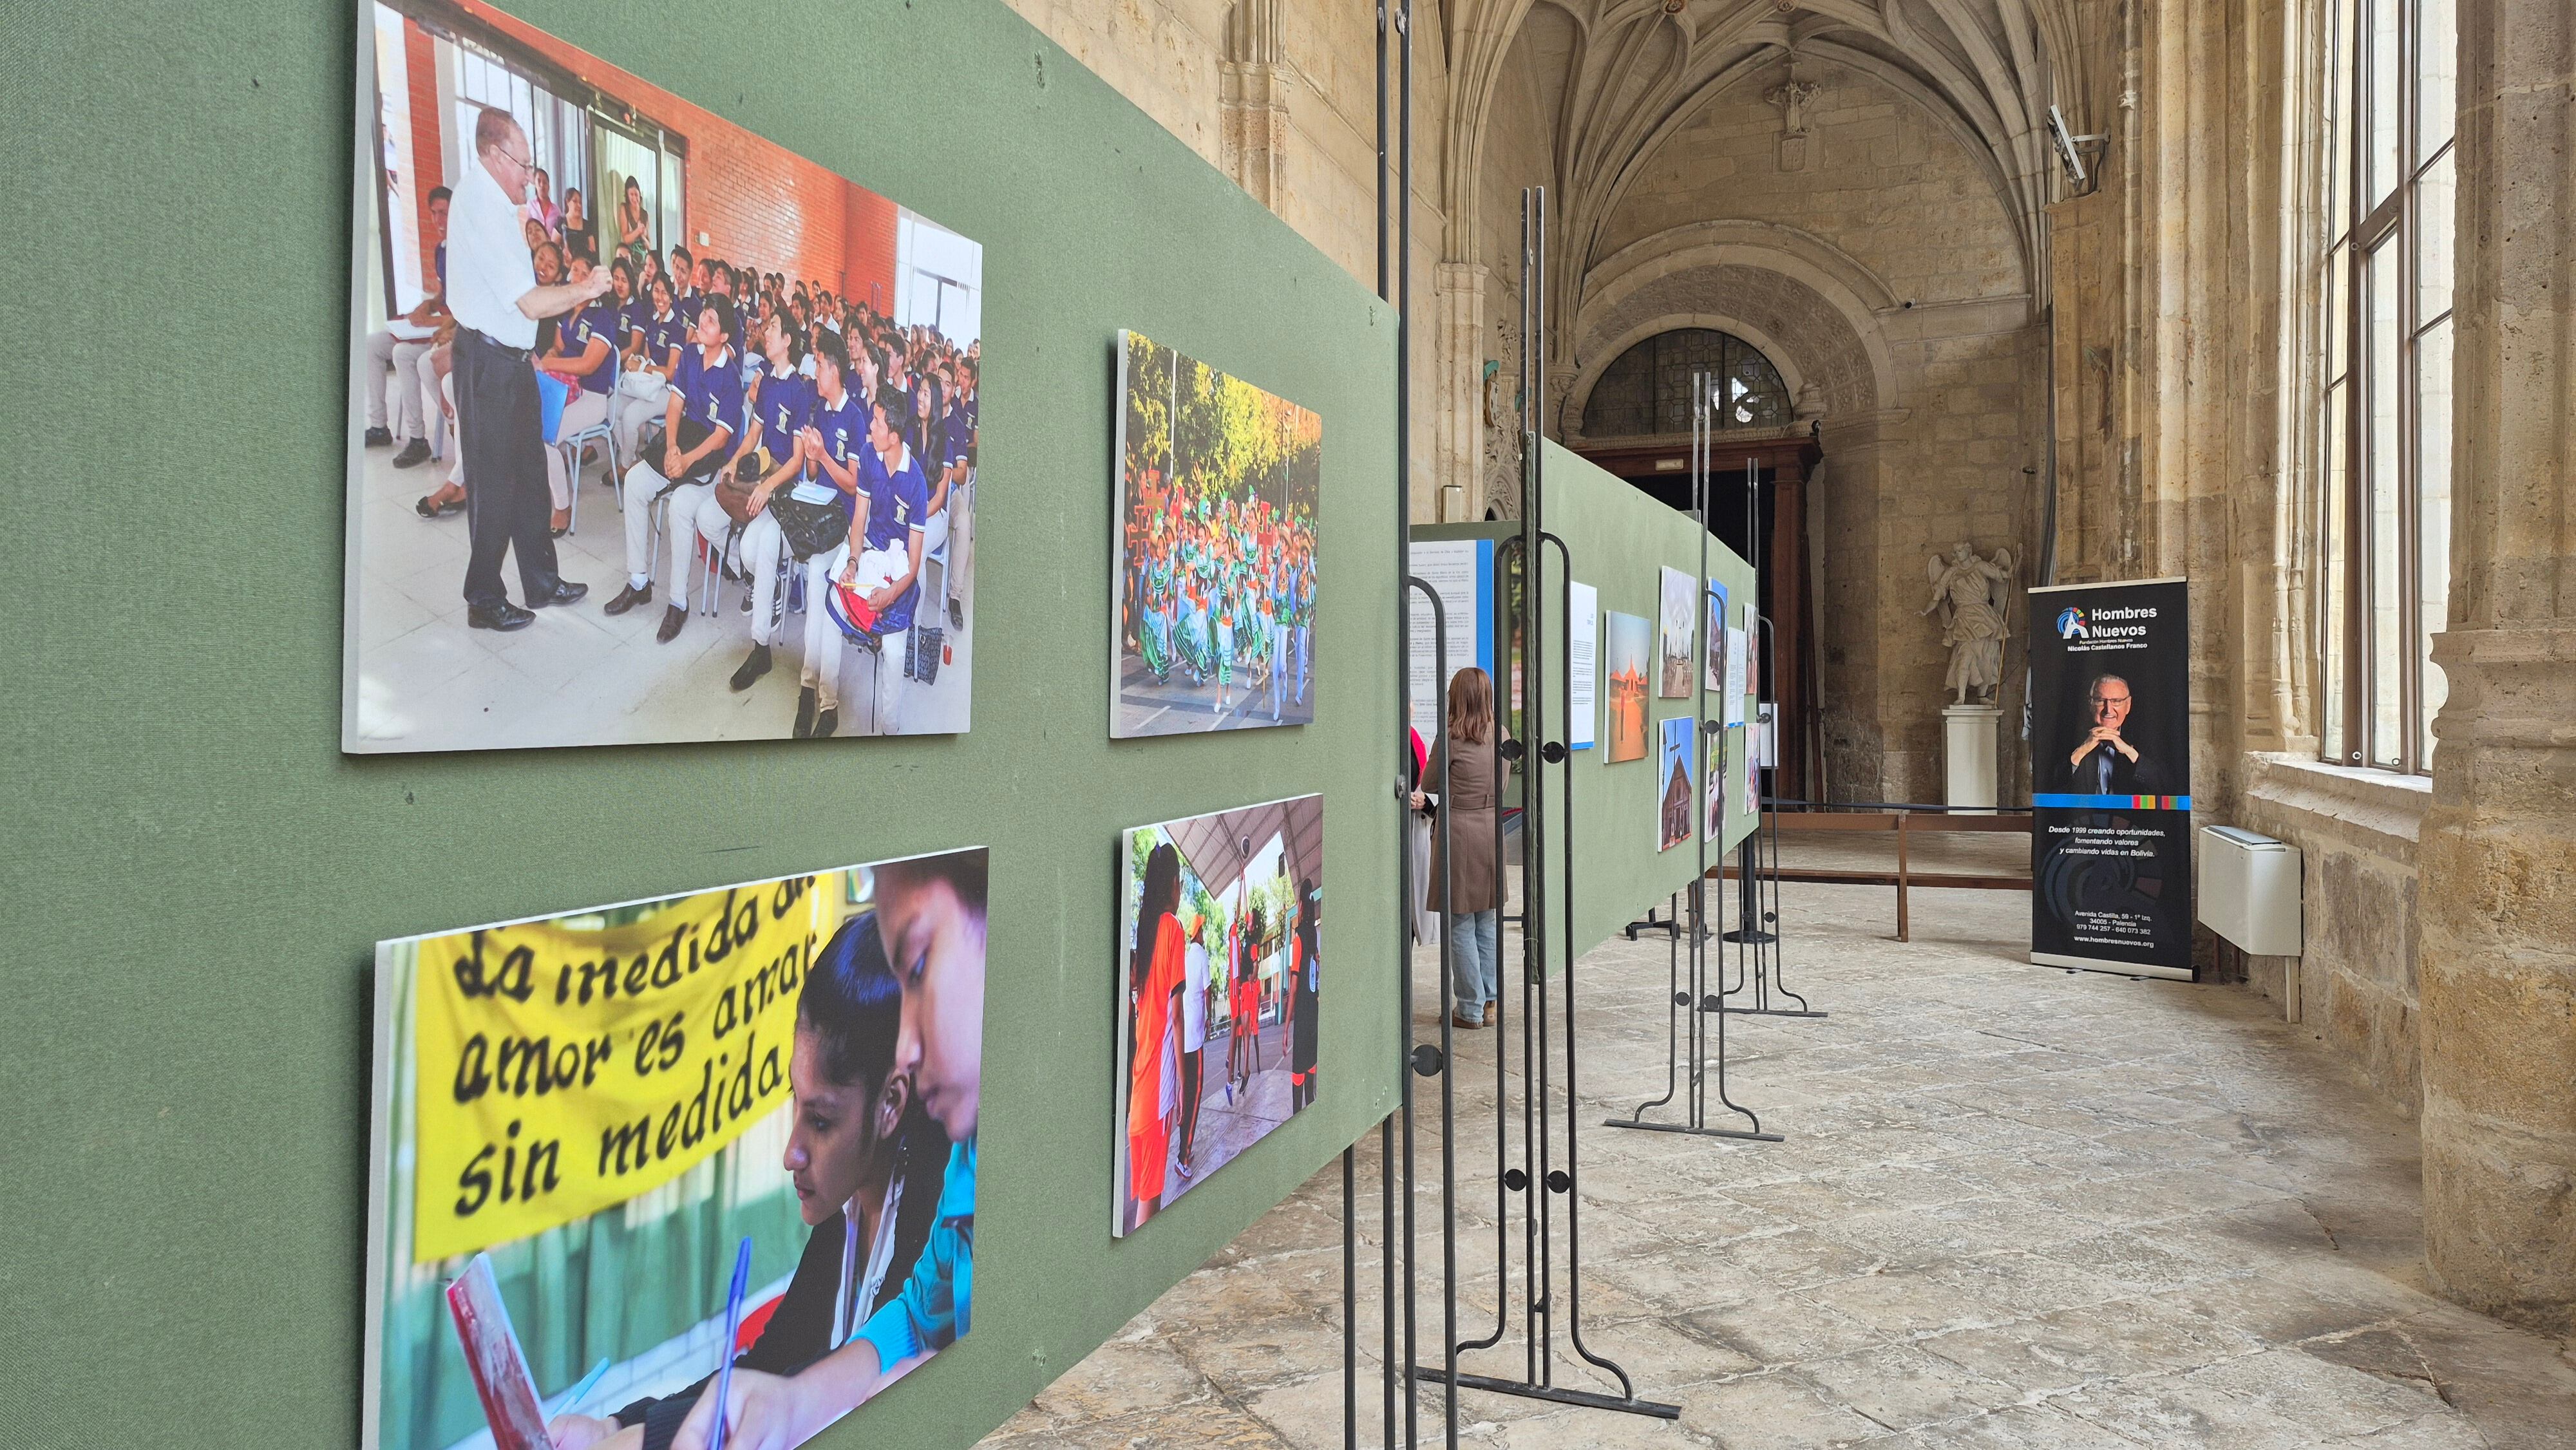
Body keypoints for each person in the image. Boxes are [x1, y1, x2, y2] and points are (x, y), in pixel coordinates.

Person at [545, 912, 947, 1450]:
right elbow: (770, 1363)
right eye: (794, 1102)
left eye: (822, 1121)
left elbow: (808, 1389)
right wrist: (616, 1425)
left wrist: (644, 1439)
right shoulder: (848, 1206)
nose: (791, 1153)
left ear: (890, 1104)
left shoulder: (932, 1216)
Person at [670, 851, 987, 1450]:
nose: (910, 1049)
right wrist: (792, 1405)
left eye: (918, 968)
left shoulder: (939, 1189)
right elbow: (919, 1315)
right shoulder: (960, 1175)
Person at [445, 107, 608, 631]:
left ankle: (541, 580)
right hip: (489, 362)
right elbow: (531, 304)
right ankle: (483, 598)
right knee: (493, 483)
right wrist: (585, 289)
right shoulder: (480, 205)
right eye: (523, 163)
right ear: (494, 156)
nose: (529, 174)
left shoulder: (500, 205)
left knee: (532, 476)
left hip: (513, 363)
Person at [603, 293, 741, 636]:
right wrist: (671, 446)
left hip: (709, 453)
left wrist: (686, 459)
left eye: (711, 321)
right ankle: (638, 582)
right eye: (703, 316)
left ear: (723, 336)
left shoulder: (731, 378)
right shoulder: (692, 356)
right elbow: (675, 407)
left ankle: (678, 602)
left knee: (679, 506)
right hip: (682, 442)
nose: (702, 324)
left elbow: (721, 438)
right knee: (635, 482)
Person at [808, 388, 930, 735]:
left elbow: (915, 563)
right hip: (869, 553)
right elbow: (858, 520)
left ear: (893, 436)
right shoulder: (867, 454)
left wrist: (890, 595)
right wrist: (852, 562)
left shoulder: (917, 483)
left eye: (876, 423)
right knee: (832, 604)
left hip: (899, 570)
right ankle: (827, 705)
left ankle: (890, 730)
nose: (870, 428)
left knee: (893, 651)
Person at [701, 312, 811, 692]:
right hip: (765, 477)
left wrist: (769, 488)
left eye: (774, 330)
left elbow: (798, 460)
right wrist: (733, 461)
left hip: (788, 488)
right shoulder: (766, 384)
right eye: (767, 328)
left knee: (760, 545)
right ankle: (769, 591)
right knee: (748, 548)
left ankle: (760, 646)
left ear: (789, 343)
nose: (767, 333)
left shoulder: (800, 390)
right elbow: (753, 435)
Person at [788, 330, 869, 739]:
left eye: (819, 364)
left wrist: (823, 456)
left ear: (834, 370)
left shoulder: (855, 418)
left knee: (828, 599)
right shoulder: (820, 410)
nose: (814, 370)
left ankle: (826, 700)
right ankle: (811, 690)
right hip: (824, 516)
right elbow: (817, 475)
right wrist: (812, 451)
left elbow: (854, 484)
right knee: (816, 596)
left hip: (849, 525)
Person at [1414, 668, 1505, 1028]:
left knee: (1459, 922)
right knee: (1486, 918)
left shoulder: (1450, 738)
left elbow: (1430, 781)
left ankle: (1469, 1007)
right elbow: (1502, 783)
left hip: (1458, 832)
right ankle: (1490, 1000)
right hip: (1489, 831)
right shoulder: (1500, 735)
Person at [363, 185, 450, 469]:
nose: (438, 221)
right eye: (434, 214)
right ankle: (379, 426)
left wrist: (433, 320)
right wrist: (427, 306)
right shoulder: (441, 249)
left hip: (449, 330)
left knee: (402, 353)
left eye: (444, 214)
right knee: (373, 344)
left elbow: (467, 313)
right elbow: (442, 295)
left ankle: (418, 439)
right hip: (433, 325)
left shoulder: (465, 252)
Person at [534, 252, 619, 536]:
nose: (573, 277)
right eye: (573, 271)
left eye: (582, 273)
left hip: (592, 399)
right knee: (527, 422)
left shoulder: (603, 317)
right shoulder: (568, 313)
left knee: (544, 440)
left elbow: (588, 365)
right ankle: (541, 487)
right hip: (563, 390)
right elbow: (557, 347)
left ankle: (562, 506)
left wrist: (548, 364)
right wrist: (548, 357)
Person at [1126, 843, 1184, 1224]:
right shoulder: (1172, 929)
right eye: (1179, 884)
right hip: (1159, 1087)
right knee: (1149, 1202)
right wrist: (1181, 1082)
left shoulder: (1144, 933)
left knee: (1153, 1193)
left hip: (1140, 1085)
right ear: (1174, 886)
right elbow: (1176, 1016)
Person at [2064, 673, 2166, 792]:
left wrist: (2130, 752)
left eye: (2116, 701)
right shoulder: (2072, 736)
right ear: (2090, 704)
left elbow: (2163, 787)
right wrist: (2082, 750)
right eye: (2101, 700)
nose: (2108, 710)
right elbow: (2051, 787)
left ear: (2128, 705)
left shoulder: (2147, 739)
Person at [1175, 911, 1210, 1174]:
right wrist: (1208, 1018)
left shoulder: (1188, 957)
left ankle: (1184, 1149)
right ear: (1198, 932)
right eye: (1202, 930)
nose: (1203, 933)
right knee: (1195, 1095)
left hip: (1185, 1036)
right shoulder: (1201, 956)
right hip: (1195, 1036)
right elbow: (1207, 991)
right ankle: (1183, 1158)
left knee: (1187, 1094)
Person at [1289, 877, 1320, 1109]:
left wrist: (1287, 1026)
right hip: (1314, 1013)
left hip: (1302, 1014)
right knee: (1311, 1063)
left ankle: (1296, 1115)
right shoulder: (1313, 938)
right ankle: (1311, 1107)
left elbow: (1295, 986)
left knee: (1298, 1068)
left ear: (1301, 906)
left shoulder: (1299, 940)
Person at [559, 185, 597, 267]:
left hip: (584, 267)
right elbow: (553, 249)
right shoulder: (561, 222)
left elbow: (593, 250)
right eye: (575, 201)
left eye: (580, 202)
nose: (579, 205)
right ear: (567, 202)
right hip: (567, 267)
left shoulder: (587, 225)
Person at [616, 175, 652, 261]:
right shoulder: (624, 209)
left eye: (636, 194)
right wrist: (638, 231)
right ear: (627, 196)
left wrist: (643, 237)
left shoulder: (644, 214)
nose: (635, 198)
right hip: (629, 258)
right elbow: (626, 239)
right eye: (631, 194)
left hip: (643, 260)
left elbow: (649, 245)